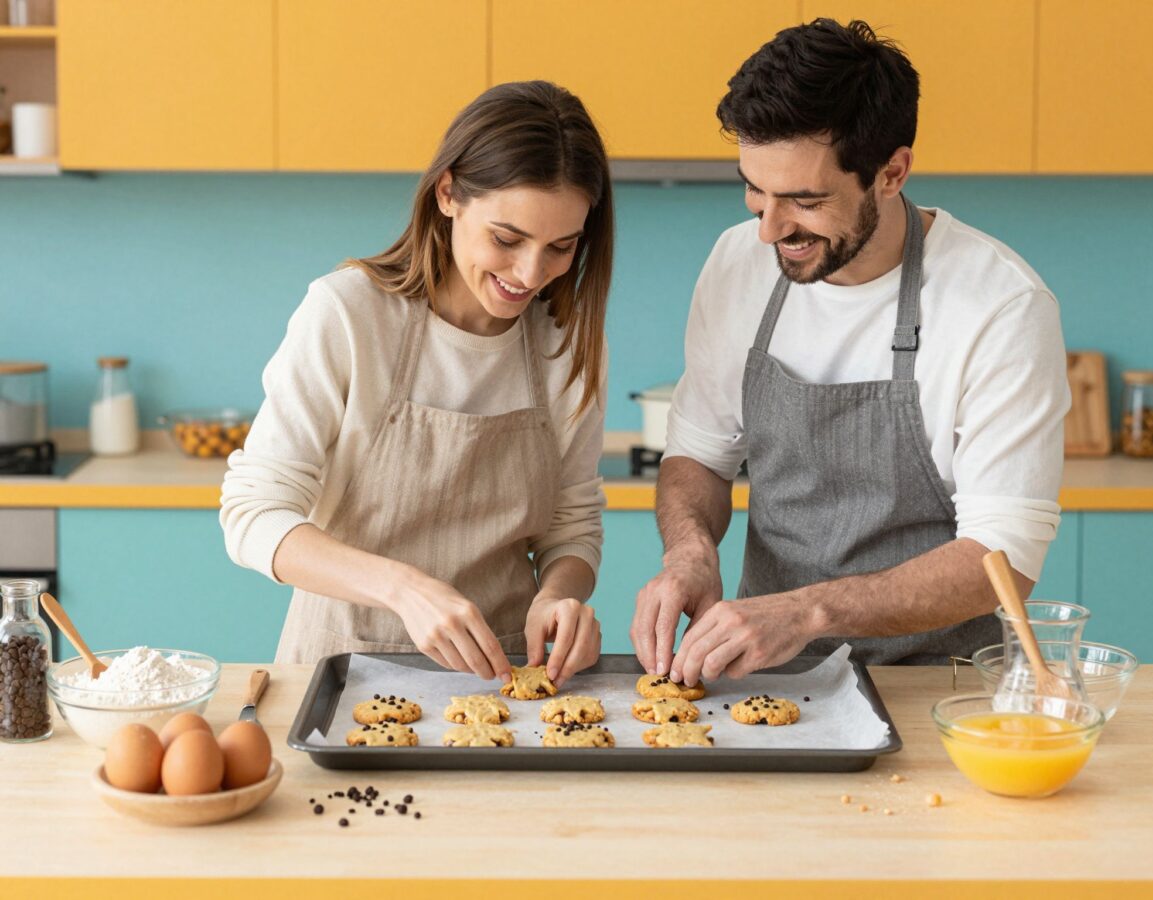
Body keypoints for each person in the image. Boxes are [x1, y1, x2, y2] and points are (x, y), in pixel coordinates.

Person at [631, 20, 1071, 682]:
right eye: (755, 191)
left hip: (938, 684)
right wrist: (689, 552)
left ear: (891, 172)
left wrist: (807, 613)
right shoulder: (736, 263)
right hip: (767, 679)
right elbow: (700, 455)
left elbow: (1001, 560)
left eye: (804, 201)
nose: (770, 230)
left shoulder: (1001, 306)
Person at [221, 81, 613, 685]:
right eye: (507, 239)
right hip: (341, 669)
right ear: (448, 193)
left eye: (560, 247)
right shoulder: (349, 314)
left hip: (503, 675)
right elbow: (253, 513)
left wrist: (558, 595)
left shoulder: (566, 343)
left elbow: (572, 524)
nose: (531, 273)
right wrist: (403, 588)